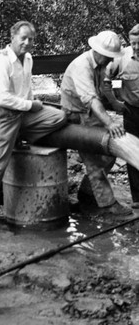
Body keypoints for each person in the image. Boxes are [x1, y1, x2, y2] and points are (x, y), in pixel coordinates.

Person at [0, 20, 67, 229]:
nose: (27, 42)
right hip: (1, 115)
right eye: (23, 38)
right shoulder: (0, 61)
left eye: (31, 39)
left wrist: (30, 105)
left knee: (57, 117)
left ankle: (20, 137)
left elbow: (26, 88)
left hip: (21, 114)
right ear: (12, 37)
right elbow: (2, 97)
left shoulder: (28, 58)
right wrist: (30, 105)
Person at [60, 30, 133, 216]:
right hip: (75, 115)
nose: (110, 61)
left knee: (107, 155)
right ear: (97, 51)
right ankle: (107, 205)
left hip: (89, 113)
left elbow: (103, 88)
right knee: (94, 160)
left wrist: (115, 103)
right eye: (108, 57)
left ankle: (86, 193)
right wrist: (109, 122)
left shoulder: (101, 64)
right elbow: (91, 99)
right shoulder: (82, 66)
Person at [104, 24, 139, 206]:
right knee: (133, 153)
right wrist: (114, 102)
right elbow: (105, 79)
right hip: (132, 112)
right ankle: (137, 199)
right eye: (133, 43)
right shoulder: (122, 57)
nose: (136, 47)